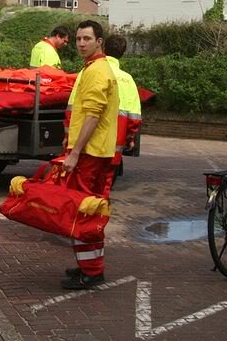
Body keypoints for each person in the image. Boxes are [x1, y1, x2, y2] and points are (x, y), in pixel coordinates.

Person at [61, 20, 118, 290]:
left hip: (91, 155)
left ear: (99, 41)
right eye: (78, 39)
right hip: (95, 153)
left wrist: (75, 152)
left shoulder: (96, 71)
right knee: (89, 211)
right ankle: (88, 265)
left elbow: (93, 115)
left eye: (87, 38)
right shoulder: (95, 68)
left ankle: (92, 272)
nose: (81, 43)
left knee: (84, 213)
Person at [103, 35, 142, 196]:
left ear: (104, 48)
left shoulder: (90, 71)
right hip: (116, 141)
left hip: (92, 139)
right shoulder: (128, 80)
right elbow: (134, 116)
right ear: (123, 53)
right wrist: (130, 138)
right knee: (106, 184)